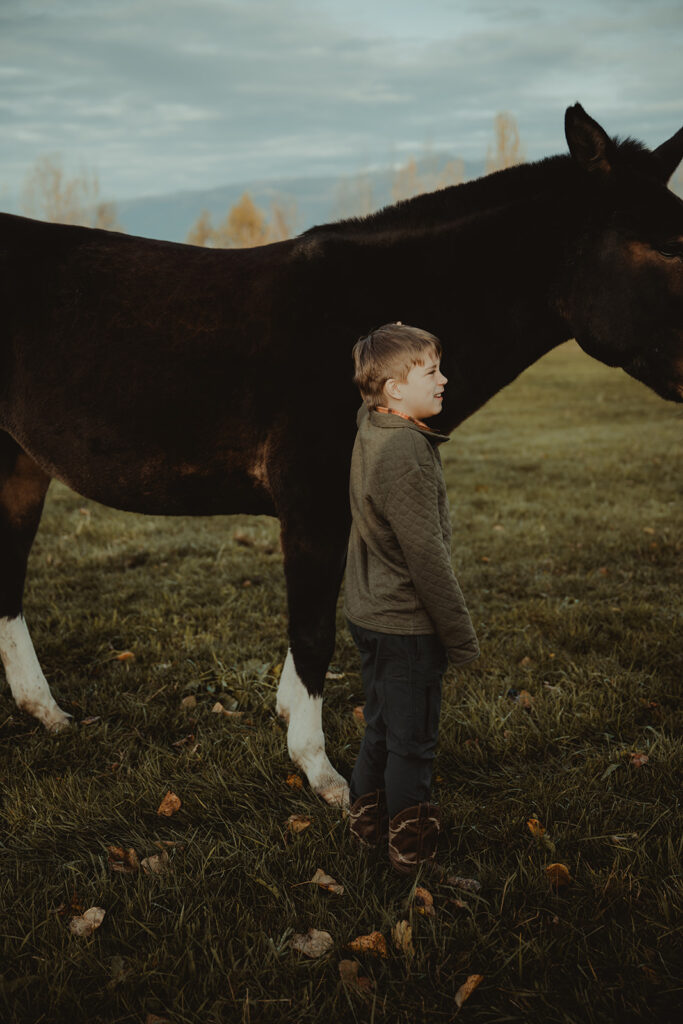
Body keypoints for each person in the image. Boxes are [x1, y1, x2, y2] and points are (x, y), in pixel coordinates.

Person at [344, 322, 479, 876]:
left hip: (371, 615)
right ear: (395, 388)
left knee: (380, 726)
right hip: (406, 625)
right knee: (413, 743)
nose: (444, 380)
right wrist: (460, 638)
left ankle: (367, 830)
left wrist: (388, 339)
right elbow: (427, 559)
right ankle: (412, 859)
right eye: (431, 372)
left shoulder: (372, 423)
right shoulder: (405, 452)